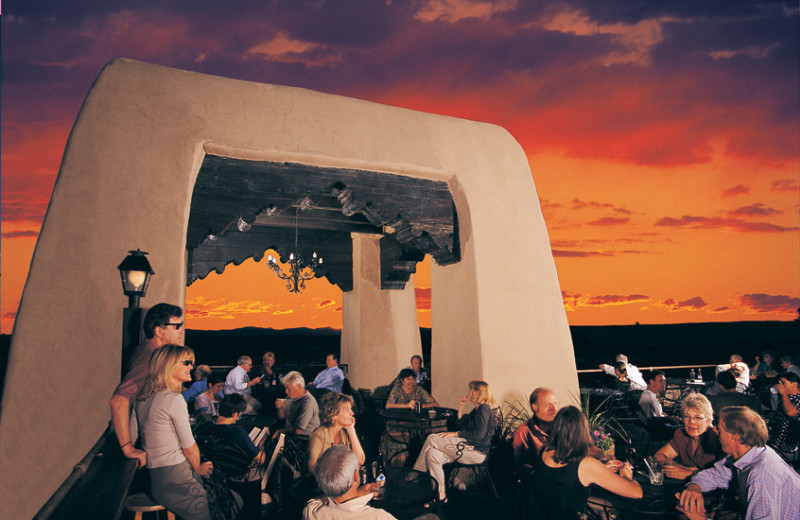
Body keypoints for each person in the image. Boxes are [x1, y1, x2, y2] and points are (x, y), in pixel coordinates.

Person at [131, 345, 214, 520]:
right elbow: (189, 448)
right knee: (228, 504)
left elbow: (132, 437)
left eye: (191, 363)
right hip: (178, 480)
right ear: (169, 365)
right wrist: (198, 468)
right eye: (186, 362)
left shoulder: (142, 399)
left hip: (157, 481)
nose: (191, 366)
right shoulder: (174, 399)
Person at [677, 407, 800, 520]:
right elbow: (715, 475)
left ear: (734, 436)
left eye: (719, 429)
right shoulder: (750, 454)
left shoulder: (761, 475)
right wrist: (694, 487)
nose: (715, 431)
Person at [529, 406, 642, 519]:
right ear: (583, 431)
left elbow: (564, 481)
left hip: (543, 514)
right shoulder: (586, 464)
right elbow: (637, 493)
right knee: (624, 508)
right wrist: (626, 476)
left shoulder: (545, 451)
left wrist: (600, 470)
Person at [110, 302, 184, 468]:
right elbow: (118, 401)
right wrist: (128, 448)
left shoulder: (152, 353)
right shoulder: (149, 359)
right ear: (158, 331)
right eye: (177, 326)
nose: (181, 330)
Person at [413, 380, 496, 502]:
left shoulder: (484, 409)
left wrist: (456, 434)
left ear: (481, 393)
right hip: (466, 448)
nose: (471, 393)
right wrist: (462, 407)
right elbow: (460, 425)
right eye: (471, 390)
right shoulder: (477, 410)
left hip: (476, 452)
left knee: (431, 438)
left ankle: (415, 475)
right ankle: (440, 494)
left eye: (474, 390)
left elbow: (479, 435)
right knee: (432, 454)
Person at [303, 445, 395, 520]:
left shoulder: (310, 512)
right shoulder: (379, 517)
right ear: (356, 476)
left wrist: (357, 493)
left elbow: (319, 499)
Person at [654, 393, 722, 480]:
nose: (691, 422)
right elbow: (659, 456)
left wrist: (692, 473)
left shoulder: (718, 440)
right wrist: (680, 467)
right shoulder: (681, 435)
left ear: (708, 420)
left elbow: (723, 477)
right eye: (687, 416)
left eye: (698, 417)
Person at [307, 393, 366, 472]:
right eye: (347, 410)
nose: (352, 413)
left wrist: (351, 430)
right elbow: (311, 467)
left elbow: (360, 461)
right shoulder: (318, 436)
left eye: (351, 409)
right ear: (333, 415)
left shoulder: (343, 434)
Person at [513, 387, 558, 477]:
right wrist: (537, 474)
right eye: (548, 405)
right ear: (535, 407)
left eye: (555, 404)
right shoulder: (523, 432)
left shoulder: (565, 426)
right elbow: (519, 464)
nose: (554, 409)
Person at [273, 371, 321, 438]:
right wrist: (280, 407)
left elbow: (298, 430)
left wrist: (279, 431)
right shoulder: (290, 396)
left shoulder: (308, 402)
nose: (286, 391)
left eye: (288, 389)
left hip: (304, 438)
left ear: (298, 386)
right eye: (285, 388)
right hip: (291, 433)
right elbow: (281, 417)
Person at [768, 371, 800, 452]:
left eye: (783, 383)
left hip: (789, 445)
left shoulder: (797, 399)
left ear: (794, 384)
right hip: (777, 442)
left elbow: (791, 412)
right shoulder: (786, 398)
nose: (780, 386)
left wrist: (783, 394)